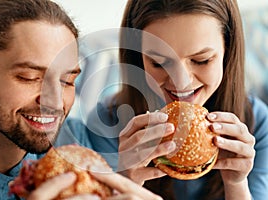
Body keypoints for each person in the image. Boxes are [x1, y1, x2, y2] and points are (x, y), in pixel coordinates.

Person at [0, 0, 163, 200]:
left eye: (67, 81)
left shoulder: (86, 150)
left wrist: (121, 183)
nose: (53, 102)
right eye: (29, 77)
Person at [76, 0, 268, 199]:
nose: (181, 83)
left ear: (227, 52)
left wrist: (236, 184)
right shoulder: (106, 121)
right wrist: (123, 182)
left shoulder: (256, 121)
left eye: (201, 60)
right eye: (159, 62)